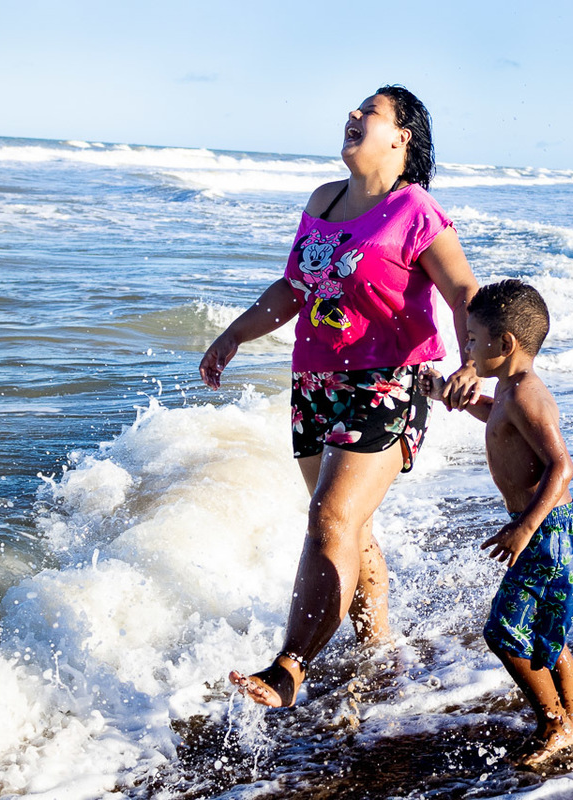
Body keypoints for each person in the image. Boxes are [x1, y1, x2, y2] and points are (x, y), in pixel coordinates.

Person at [198, 85, 480, 708]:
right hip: (315, 383)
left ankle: (288, 666)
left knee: (330, 518)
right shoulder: (323, 201)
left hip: (388, 384)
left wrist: (472, 366)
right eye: (354, 110)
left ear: (400, 137)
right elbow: (294, 287)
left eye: (369, 112)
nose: (353, 117)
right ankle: (378, 650)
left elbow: (463, 292)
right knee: (350, 524)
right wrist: (234, 333)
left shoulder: (416, 211)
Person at [422, 279, 573, 769]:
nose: (467, 348)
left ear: (505, 344)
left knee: (502, 632)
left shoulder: (528, 396)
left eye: (472, 340)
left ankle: (554, 721)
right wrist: (444, 394)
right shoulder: (509, 391)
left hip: (546, 529)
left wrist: (524, 528)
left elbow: (562, 467)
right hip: (550, 528)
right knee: (544, 633)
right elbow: (496, 416)